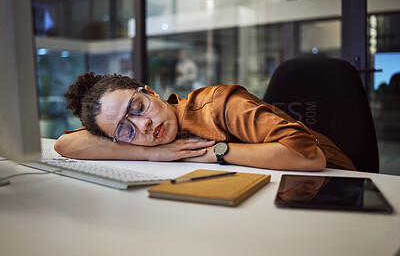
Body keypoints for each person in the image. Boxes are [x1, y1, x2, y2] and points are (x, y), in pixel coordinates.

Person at [54, 72, 356, 171]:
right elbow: (66, 144)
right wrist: (150, 152)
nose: (142, 125)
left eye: (137, 107)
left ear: (151, 92)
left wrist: (217, 152)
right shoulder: (147, 139)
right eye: (124, 129)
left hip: (331, 181)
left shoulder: (219, 104)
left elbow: (310, 157)